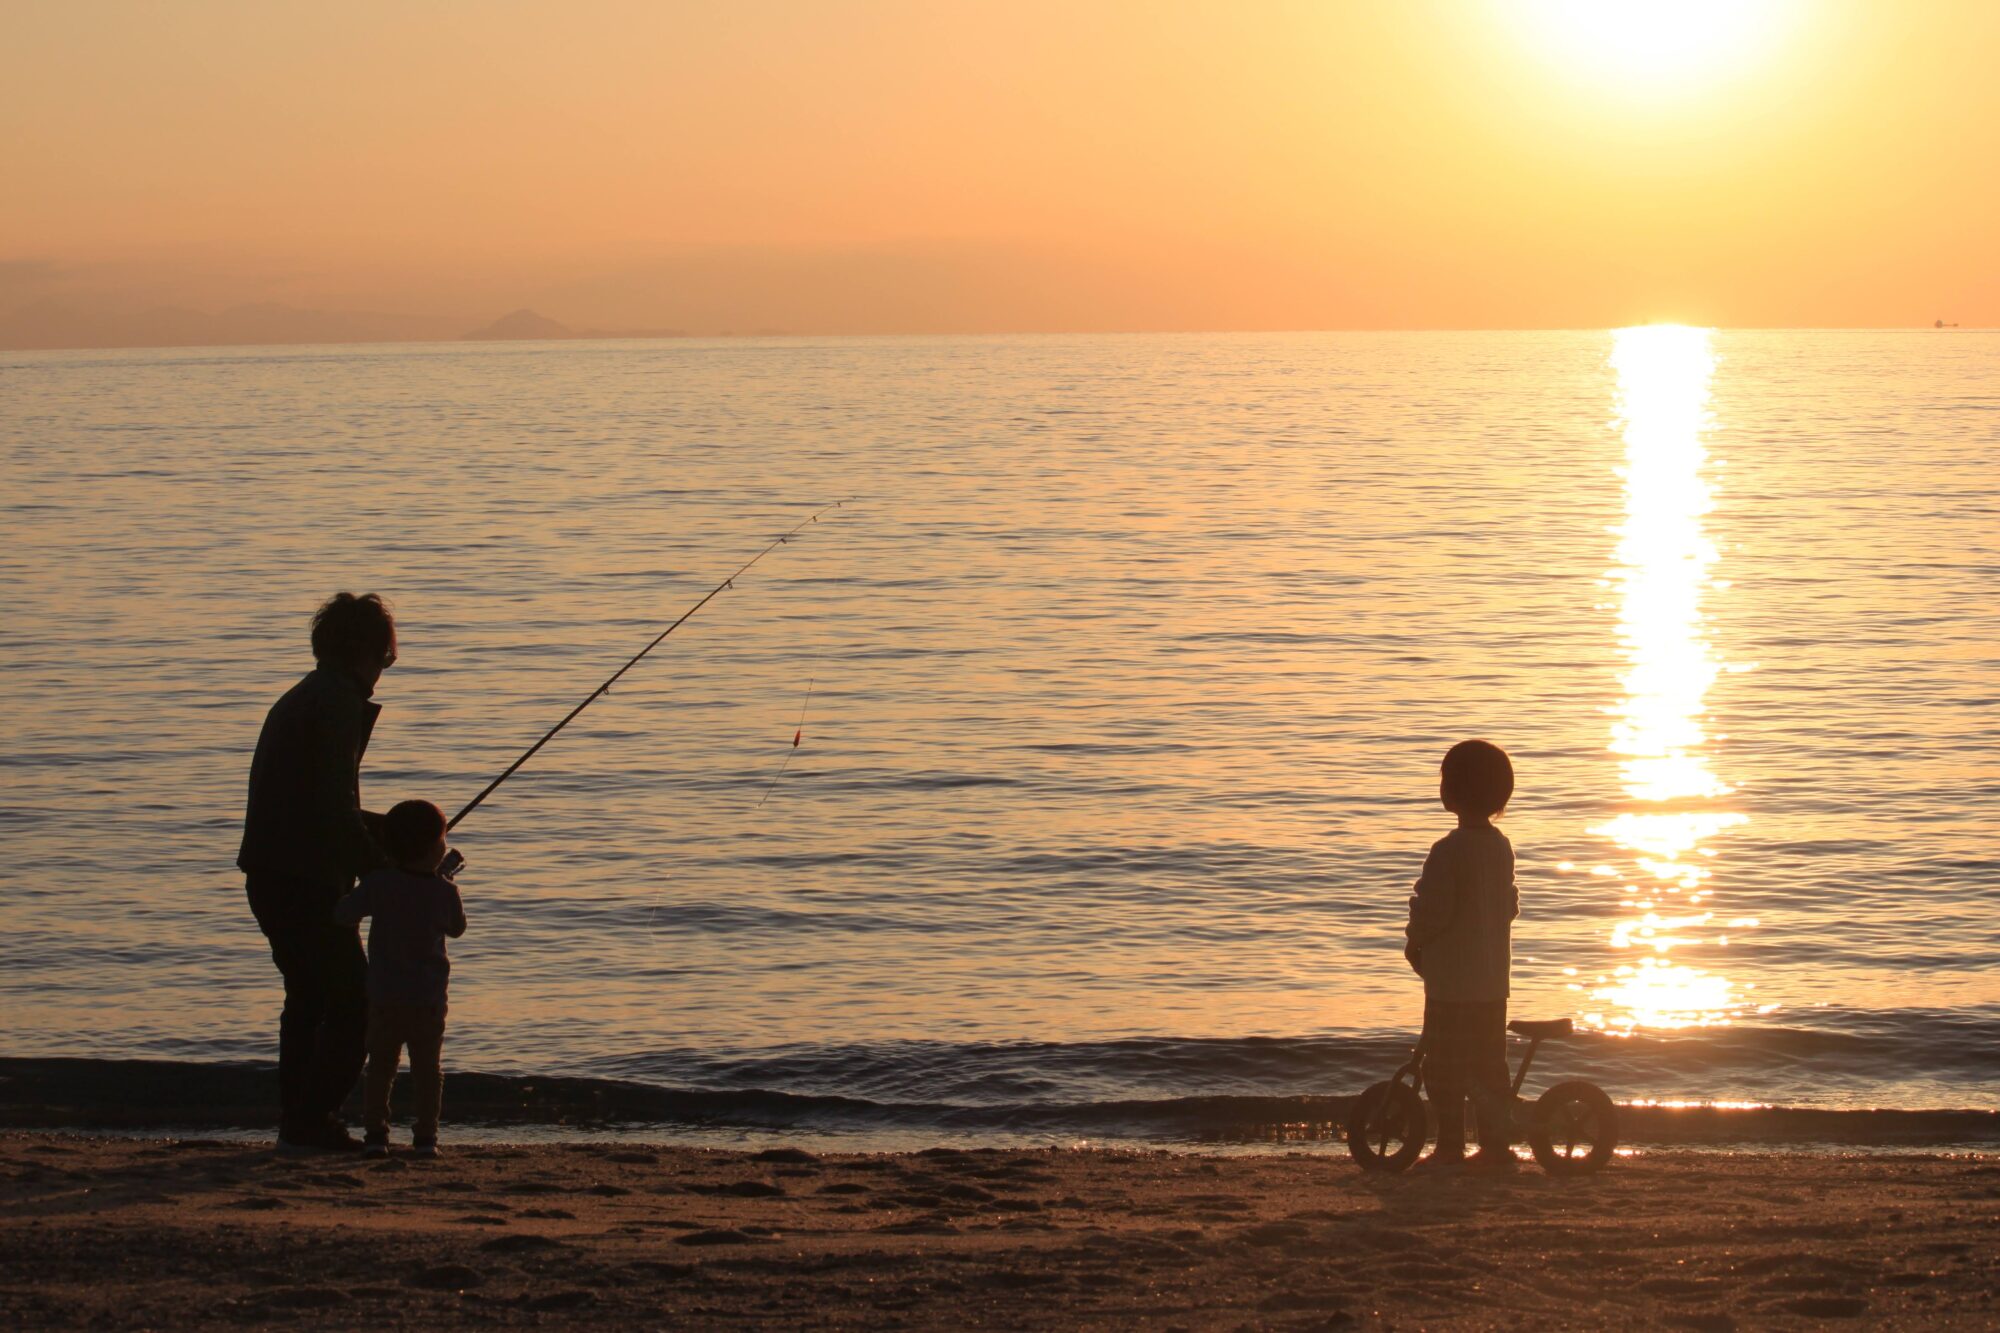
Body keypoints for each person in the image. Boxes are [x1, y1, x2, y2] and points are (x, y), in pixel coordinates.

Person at [238, 592, 398, 1152]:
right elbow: (331, 811)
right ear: (367, 652)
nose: (383, 671)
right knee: (355, 1002)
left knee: (307, 997)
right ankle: (312, 1119)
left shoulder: (311, 695)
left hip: (273, 871)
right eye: (385, 657)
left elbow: (322, 805)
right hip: (302, 878)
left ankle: (299, 1120)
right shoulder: (335, 704)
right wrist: (383, 872)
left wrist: (397, 839)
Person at [1403, 739, 1519, 1171]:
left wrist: (1415, 941)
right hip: (1491, 981)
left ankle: (1450, 1146)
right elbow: (1509, 906)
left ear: (1449, 791)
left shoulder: (1448, 851)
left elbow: (1432, 908)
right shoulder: (1500, 847)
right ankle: (1495, 1144)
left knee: (1444, 1067)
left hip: (1451, 982)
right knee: (1490, 1066)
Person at [335, 799, 466, 1158]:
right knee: (427, 1071)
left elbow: (343, 914)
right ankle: (426, 1138)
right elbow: (457, 928)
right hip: (427, 1000)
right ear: (438, 847)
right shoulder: (444, 890)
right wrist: (443, 881)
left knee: (380, 1068)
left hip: (383, 997)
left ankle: (376, 1135)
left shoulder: (378, 884)